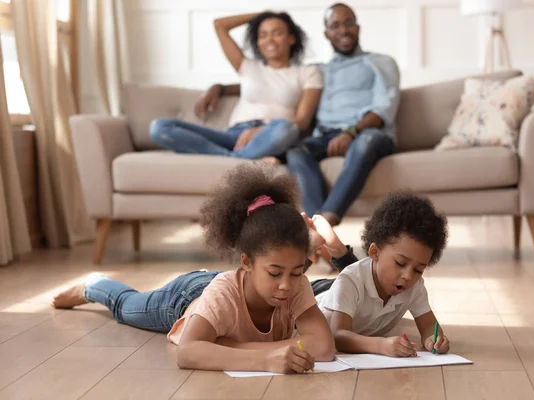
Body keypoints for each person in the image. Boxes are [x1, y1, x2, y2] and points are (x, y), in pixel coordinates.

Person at [51, 164, 335, 374]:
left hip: (227, 294)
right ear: (246, 262)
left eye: (297, 272)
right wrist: (266, 359)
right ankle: (94, 285)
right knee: (126, 307)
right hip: (186, 298)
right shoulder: (222, 295)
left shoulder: (295, 287)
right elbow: (187, 352)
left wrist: (226, 347)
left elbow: (323, 348)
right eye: (275, 273)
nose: (287, 284)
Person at [199, 3, 400, 225]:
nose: (343, 30)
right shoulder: (320, 70)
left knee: (365, 142)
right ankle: (315, 225)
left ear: (358, 28)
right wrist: (219, 88)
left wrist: (351, 132)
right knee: (296, 150)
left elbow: (383, 109)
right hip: (325, 136)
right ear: (327, 33)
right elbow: (272, 84)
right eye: (335, 25)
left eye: (348, 23)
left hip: (368, 133)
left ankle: (329, 216)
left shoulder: (380, 62)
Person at [149, 11, 322, 161]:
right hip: (233, 136)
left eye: (277, 33)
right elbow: (220, 25)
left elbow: (302, 122)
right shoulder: (248, 67)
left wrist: (257, 131)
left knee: (288, 129)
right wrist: (262, 15)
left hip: (269, 135)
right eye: (262, 34)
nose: (269, 39)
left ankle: (235, 159)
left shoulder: (307, 72)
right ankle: (240, 158)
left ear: (291, 38)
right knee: (160, 127)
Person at [309, 192, 452, 357]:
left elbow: (428, 326)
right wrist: (380, 345)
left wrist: (434, 339)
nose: (408, 275)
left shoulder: (414, 287)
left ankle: (337, 249)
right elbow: (338, 336)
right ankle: (320, 243)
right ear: (374, 251)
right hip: (316, 294)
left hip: (355, 293)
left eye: (418, 270)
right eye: (400, 263)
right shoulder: (349, 281)